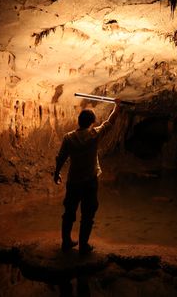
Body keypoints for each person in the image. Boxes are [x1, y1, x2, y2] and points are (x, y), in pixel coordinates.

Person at [54, 98, 121, 254]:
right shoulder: (94, 134)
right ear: (92, 122)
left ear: (79, 121)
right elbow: (109, 123)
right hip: (89, 181)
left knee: (69, 212)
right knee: (88, 213)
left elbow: (61, 157)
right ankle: (83, 245)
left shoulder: (68, 137)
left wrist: (56, 173)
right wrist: (117, 107)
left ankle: (66, 242)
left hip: (74, 181)